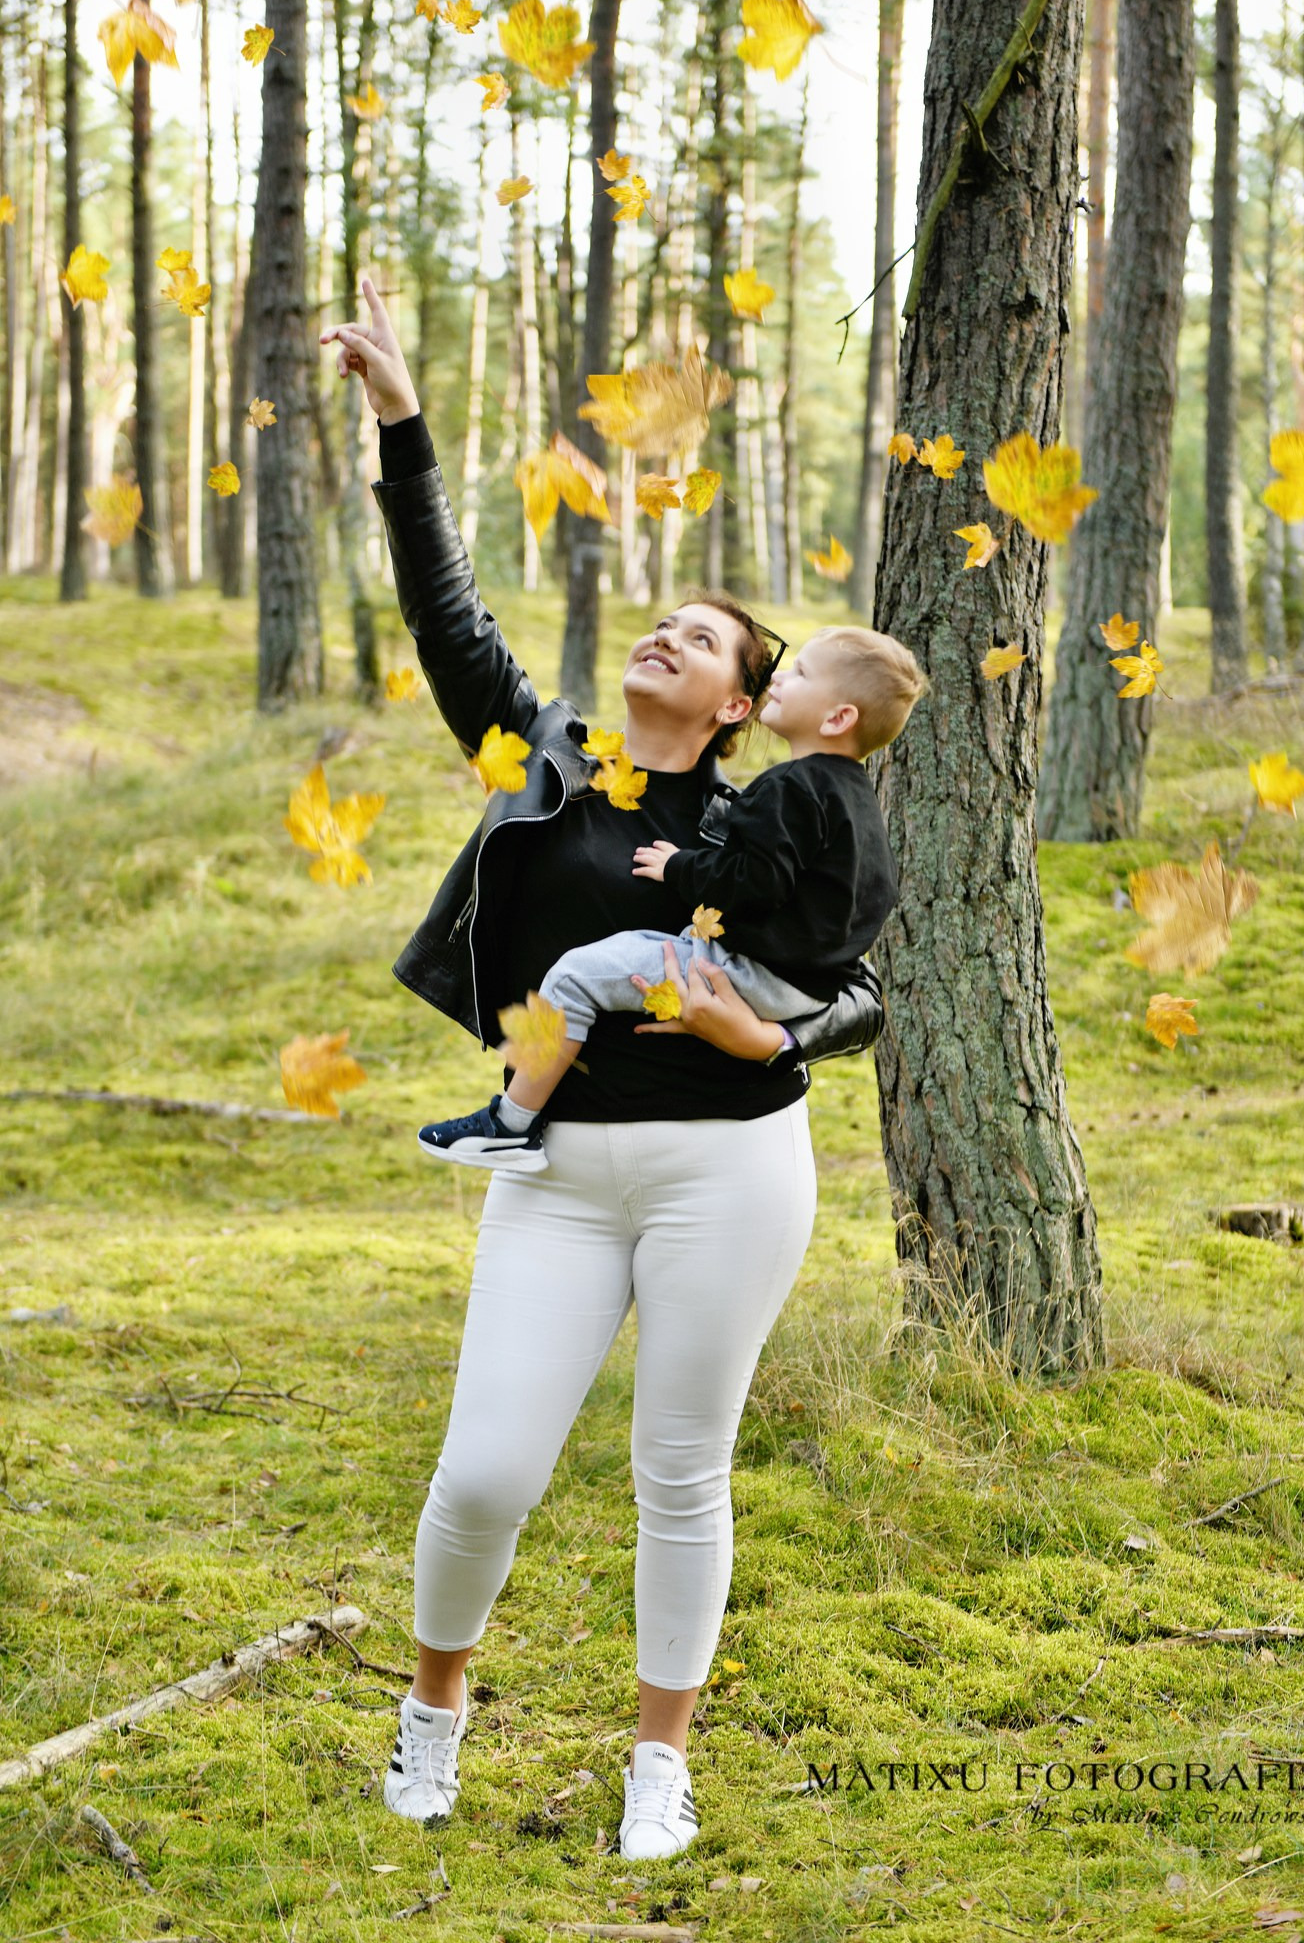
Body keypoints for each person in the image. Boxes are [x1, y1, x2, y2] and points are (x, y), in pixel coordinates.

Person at [321, 278, 895, 1859]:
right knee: (486, 1471)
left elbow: (859, 979)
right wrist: (402, 426)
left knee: (679, 1473)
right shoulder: (543, 762)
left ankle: (659, 1760)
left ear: (735, 704)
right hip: (560, 1178)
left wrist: (768, 1034)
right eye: (661, 620)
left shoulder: (771, 818)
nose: (665, 635)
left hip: (732, 1169)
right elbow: (451, 619)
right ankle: (432, 1712)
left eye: (701, 639)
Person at [414, 624, 927, 1171]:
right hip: (809, 990)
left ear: (836, 717)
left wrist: (680, 866)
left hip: (749, 983)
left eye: (799, 673)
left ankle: (511, 1123)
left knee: (573, 978)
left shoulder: (788, 789)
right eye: (664, 626)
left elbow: (756, 883)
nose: (782, 677)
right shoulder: (858, 804)